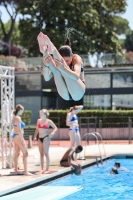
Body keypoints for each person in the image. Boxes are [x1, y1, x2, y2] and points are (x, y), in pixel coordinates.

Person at [37, 32, 85, 101]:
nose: (66, 63)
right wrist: (45, 65)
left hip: (78, 92)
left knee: (64, 69)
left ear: (72, 56)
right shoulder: (58, 62)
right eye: (64, 60)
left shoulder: (76, 58)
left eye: (67, 60)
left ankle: (53, 50)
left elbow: (76, 76)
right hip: (65, 95)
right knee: (56, 71)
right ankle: (44, 51)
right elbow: (47, 78)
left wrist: (64, 69)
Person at [33, 109, 57, 174]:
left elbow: (55, 127)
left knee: (46, 153)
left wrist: (52, 133)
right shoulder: (38, 121)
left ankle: (47, 168)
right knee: (41, 154)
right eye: (40, 114)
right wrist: (35, 136)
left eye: (41, 114)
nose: (40, 115)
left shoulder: (48, 121)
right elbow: (37, 130)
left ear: (45, 115)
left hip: (46, 138)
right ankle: (42, 168)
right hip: (39, 138)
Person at [12, 104, 32, 175]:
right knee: (25, 153)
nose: (22, 112)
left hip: (15, 136)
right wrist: (22, 139)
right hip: (18, 136)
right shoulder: (18, 118)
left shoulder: (13, 117)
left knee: (16, 153)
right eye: (22, 111)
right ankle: (26, 172)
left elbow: (15, 128)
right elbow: (19, 130)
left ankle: (16, 171)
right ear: (20, 110)